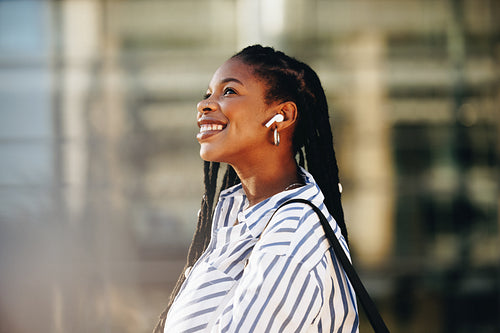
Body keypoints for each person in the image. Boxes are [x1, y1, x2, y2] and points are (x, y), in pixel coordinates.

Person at [154, 45, 358, 332]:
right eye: (208, 94)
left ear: (282, 116)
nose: (206, 105)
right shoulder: (240, 215)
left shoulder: (290, 238)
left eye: (229, 92)